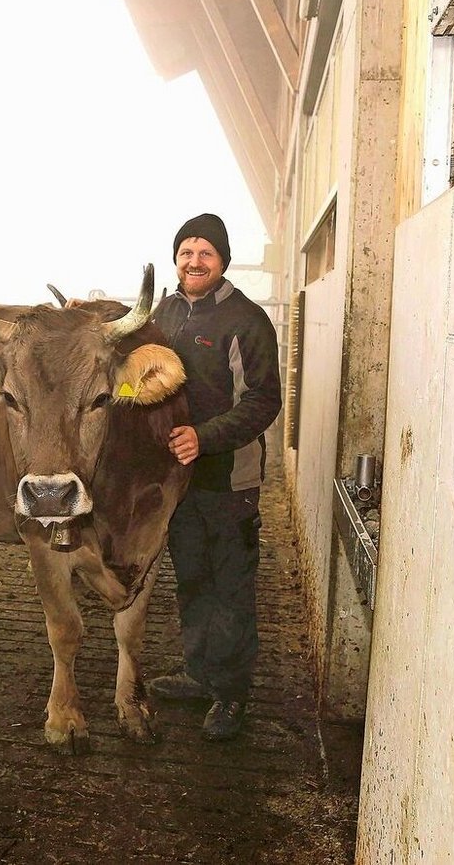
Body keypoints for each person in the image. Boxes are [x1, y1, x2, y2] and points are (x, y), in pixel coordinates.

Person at [148, 212, 283, 743]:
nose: (194, 261)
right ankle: (198, 672)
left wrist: (205, 437)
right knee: (192, 578)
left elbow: (264, 400)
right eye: (186, 252)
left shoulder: (246, 320)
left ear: (223, 261)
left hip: (230, 479)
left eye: (205, 253)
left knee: (231, 587)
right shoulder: (167, 310)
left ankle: (231, 693)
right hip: (179, 480)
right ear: (176, 260)